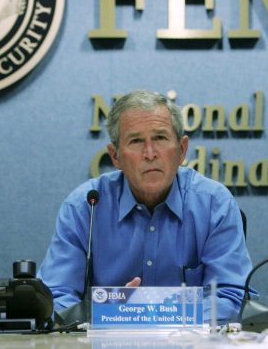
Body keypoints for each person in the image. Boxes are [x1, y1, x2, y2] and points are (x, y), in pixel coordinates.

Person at [38, 90, 252, 322]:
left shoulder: (214, 204)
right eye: (136, 141)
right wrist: (113, 313)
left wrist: (144, 315)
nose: (150, 154)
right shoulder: (85, 207)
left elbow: (230, 298)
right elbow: (56, 298)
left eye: (160, 138)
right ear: (115, 156)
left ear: (181, 150)